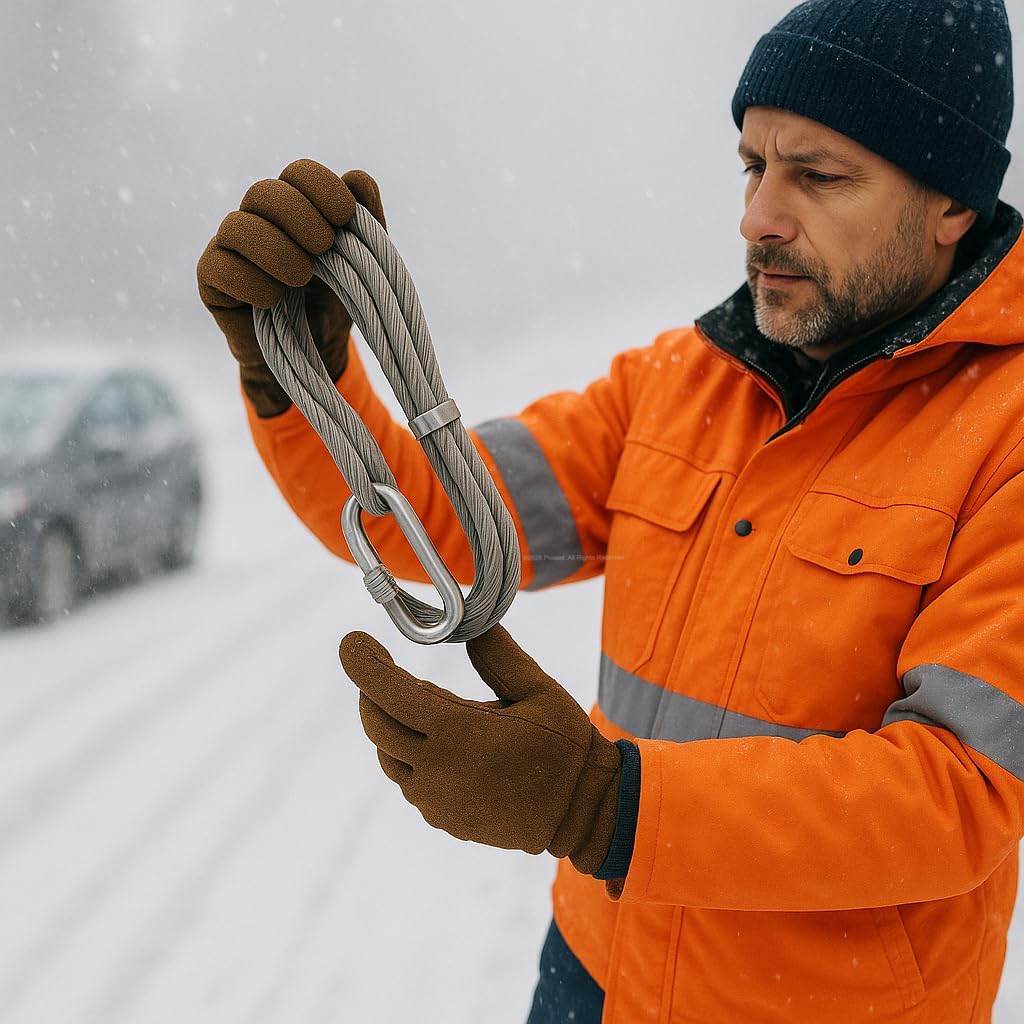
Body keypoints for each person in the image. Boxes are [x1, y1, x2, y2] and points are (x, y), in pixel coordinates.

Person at [197, 0, 1024, 1019]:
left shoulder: (1006, 438)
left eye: (816, 175)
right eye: (753, 166)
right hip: (593, 971)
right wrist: (303, 375)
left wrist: (603, 802)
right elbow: (445, 522)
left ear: (951, 205)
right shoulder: (681, 382)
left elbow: (957, 797)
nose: (758, 215)